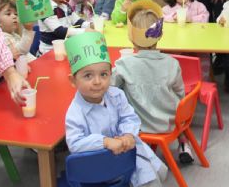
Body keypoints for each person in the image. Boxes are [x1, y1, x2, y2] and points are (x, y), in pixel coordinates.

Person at [64, 31, 167, 187]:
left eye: (104, 74)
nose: (97, 82)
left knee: (150, 177)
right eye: (88, 76)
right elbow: (75, 143)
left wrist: (128, 134)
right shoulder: (75, 112)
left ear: (111, 74)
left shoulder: (116, 95)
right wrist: (104, 142)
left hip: (126, 156)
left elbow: (129, 117)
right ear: (73, 81)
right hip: (98, 167)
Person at [111, 0, 195, 165]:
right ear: (160, 35)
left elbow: (110, 88)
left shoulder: (124, 65)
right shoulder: (172, 63)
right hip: (171, 123)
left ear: (130, 37)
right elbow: (180, 93)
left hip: (140, 127)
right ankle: (183, 143)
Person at [162, 0, 211, 78]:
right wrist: (172, 18)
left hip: (197, 44)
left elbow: (205, 18)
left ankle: (201, 80)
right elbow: (161, 18)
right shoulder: (168, 9)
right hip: (176, 46)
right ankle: (178, 80)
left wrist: (191, 19)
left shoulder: (198, 6)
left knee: (203, 57)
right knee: (172, 61)